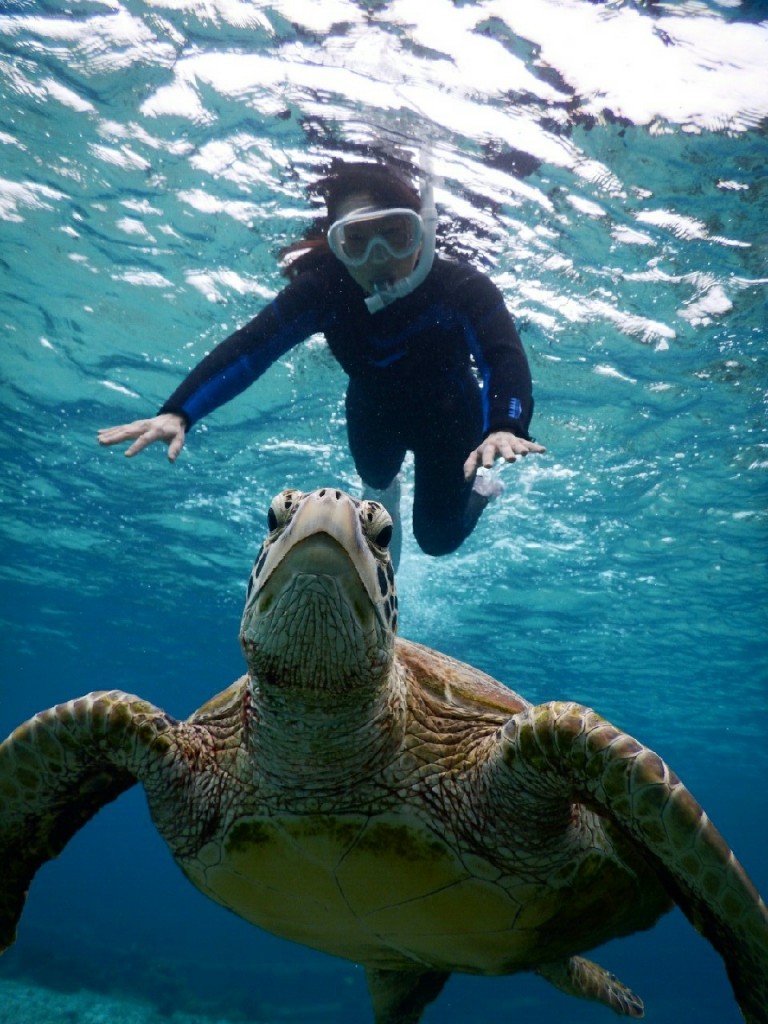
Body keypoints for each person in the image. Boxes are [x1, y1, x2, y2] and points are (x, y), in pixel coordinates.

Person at [98, 159, 545, 561]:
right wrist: (180, 411)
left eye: (394, 236)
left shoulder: (461, 287)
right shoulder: (324, 291)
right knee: (375, 476)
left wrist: (505, 426)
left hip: (452, 420)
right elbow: (250, 348)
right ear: (337, 247)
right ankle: (389, 508)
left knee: (438, 541)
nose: (378, 259)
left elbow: (502, 357)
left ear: (421, 232)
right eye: (357, 242)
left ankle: (480, 494)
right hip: (374, 412)